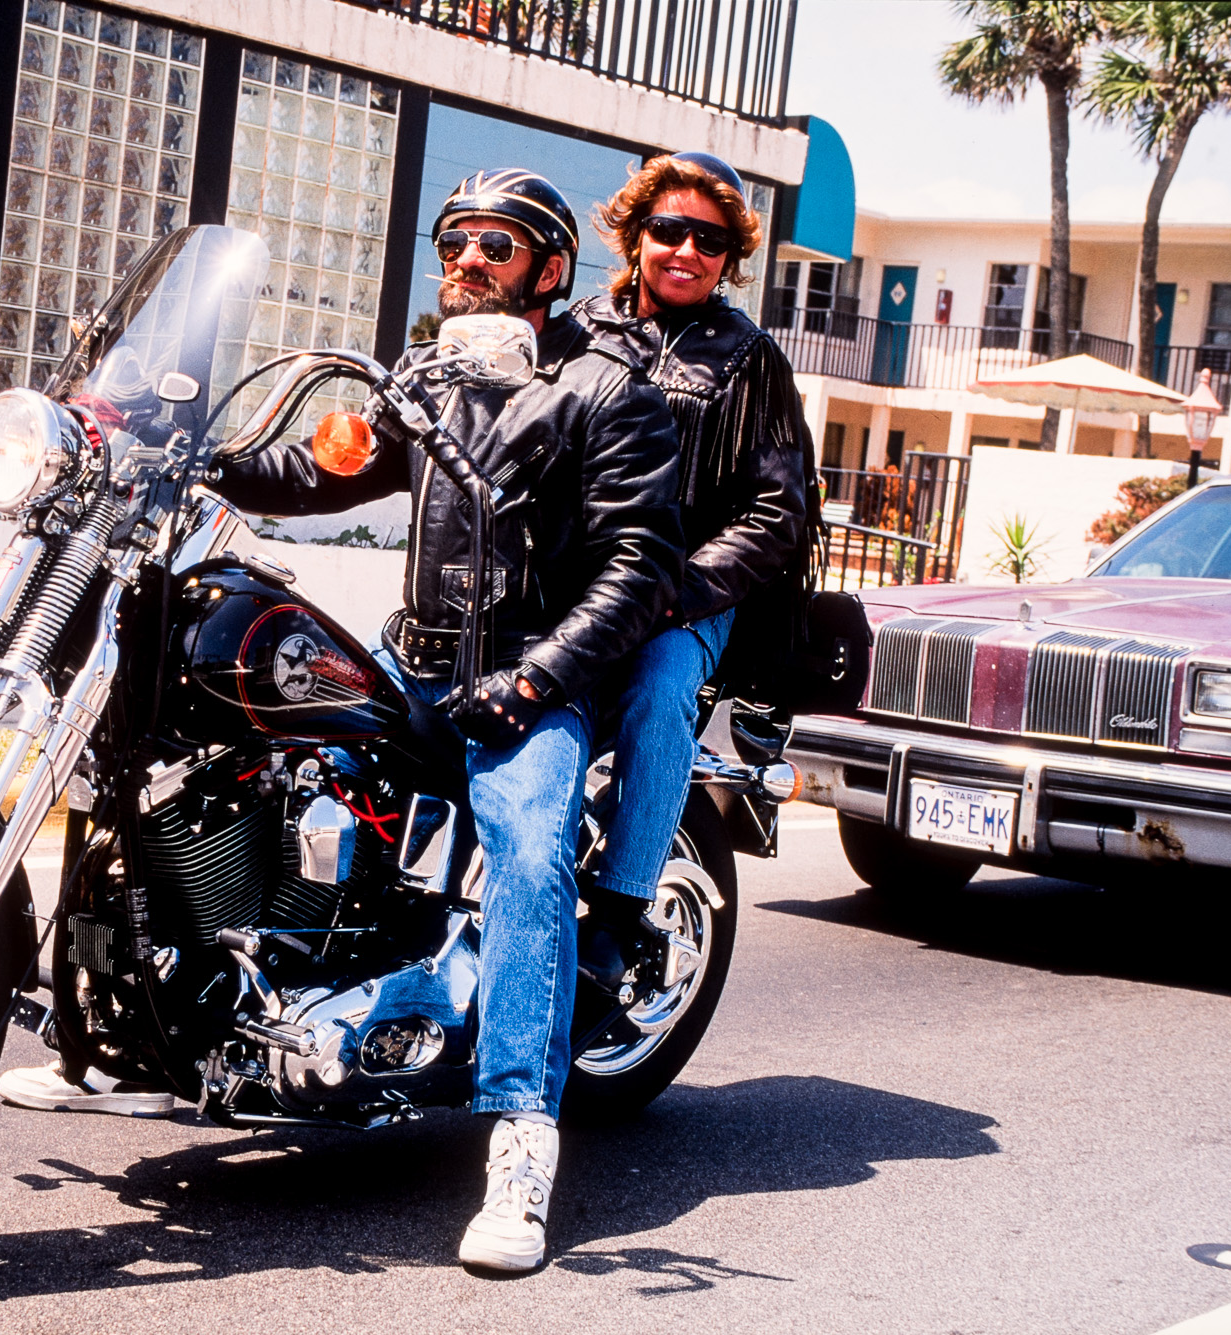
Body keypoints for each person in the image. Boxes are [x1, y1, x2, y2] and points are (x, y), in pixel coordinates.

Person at [218, 169, 683, 1272]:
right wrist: (197, 456)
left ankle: (521, 1136)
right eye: (454, 242)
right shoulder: (426, 378)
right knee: (245, 743)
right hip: (411, 658)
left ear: (551, 269)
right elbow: (328, 468)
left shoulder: (606, 390)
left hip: (527, 680)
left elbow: (635, 568)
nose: (466, 261)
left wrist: (534, 683)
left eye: (497, 246)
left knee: (529, 859)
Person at [566, 152, 811, 980]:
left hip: (685, 595)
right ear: (636, 235)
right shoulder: (577, 333)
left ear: (729, 258)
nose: (686, 251)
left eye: (709, 240)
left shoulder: (749, 358)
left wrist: (681, 589)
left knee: (660, 682)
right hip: (577, 579)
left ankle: (624, 908)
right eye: (669, 230)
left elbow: (779, 511)